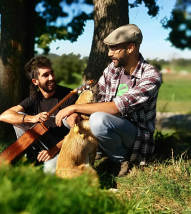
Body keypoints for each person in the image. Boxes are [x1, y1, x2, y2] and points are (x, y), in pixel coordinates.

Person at [55, 24, 162, 177]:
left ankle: (121, 160)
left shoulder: (151, 75)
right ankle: (98, 149)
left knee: (99, 120)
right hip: (112, 127)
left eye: (114, 48)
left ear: (131, 47)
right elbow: (97, 98)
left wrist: (74, 108)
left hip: (135, 136)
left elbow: (117, 107)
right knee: (69, 120)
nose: (109, 53)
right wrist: (76, 112)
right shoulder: (113, 69)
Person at [0, 56, 78, 173]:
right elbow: (4, 116)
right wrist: (32, 118)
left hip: (65, 146)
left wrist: (52, 151)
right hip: (45, 142)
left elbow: (76, 132)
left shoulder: (69, 95)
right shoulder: (34, 98)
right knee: (19, 116)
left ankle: (44, 162)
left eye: (52, 73)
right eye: (45, 75)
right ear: (35, 81)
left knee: (49, 171)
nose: (52, 78)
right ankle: (31, 156)